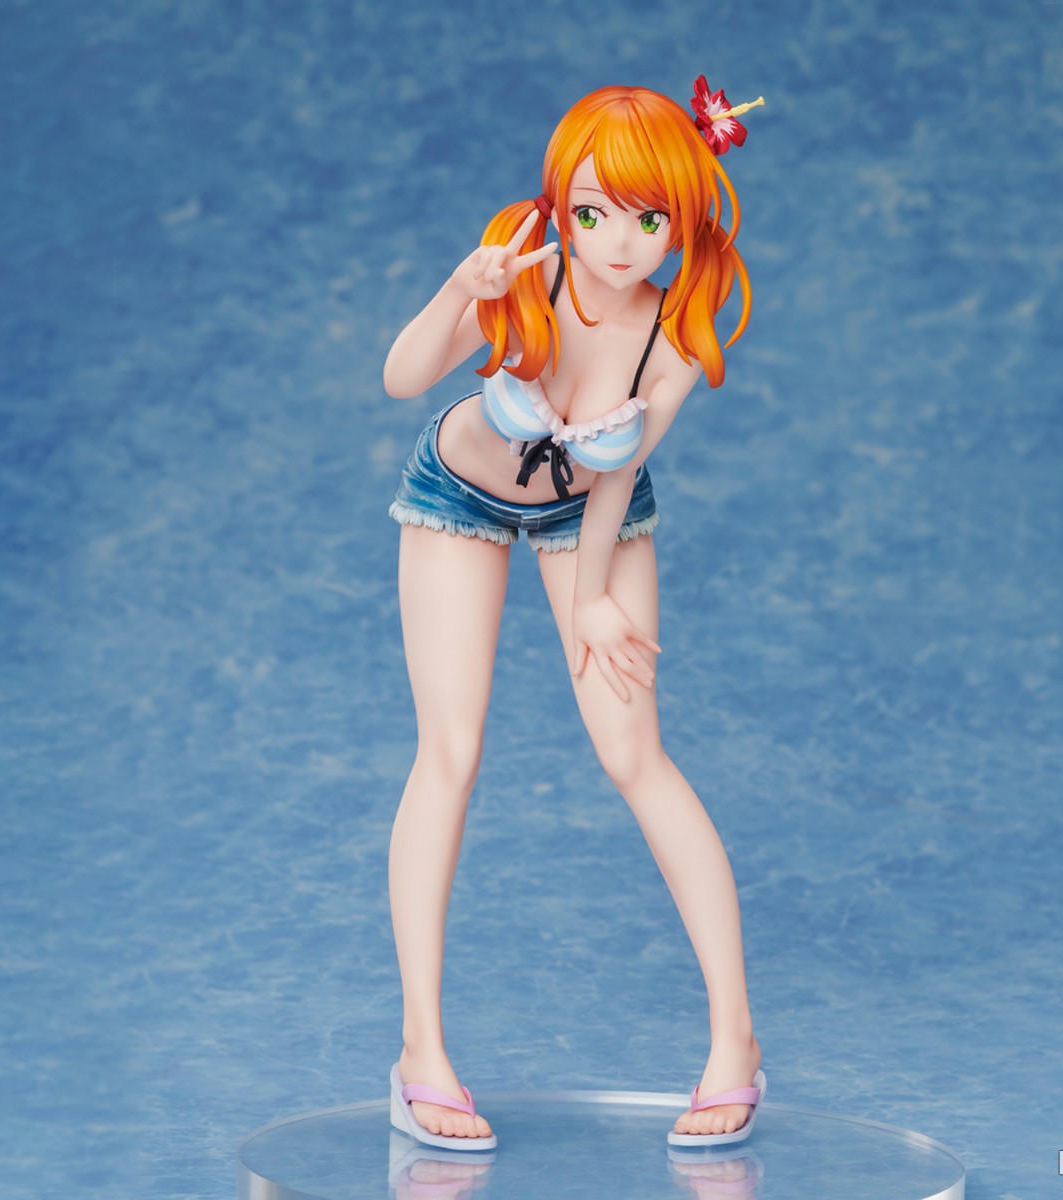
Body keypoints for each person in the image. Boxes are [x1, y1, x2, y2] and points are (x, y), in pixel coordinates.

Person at [383, 82, 766, 1151]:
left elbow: (615, 472)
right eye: (594, 212)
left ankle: (735, 1043)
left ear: (685, 222)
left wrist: (593, 593)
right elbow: (402, 377)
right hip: (458, 495)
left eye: (651, 220)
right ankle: (421, 1051)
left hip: (589, 518)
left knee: (636, 755)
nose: (620, 243)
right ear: (561, 201)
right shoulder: (524, 273)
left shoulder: (673, 336)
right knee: (449, 753)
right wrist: (459, 291)